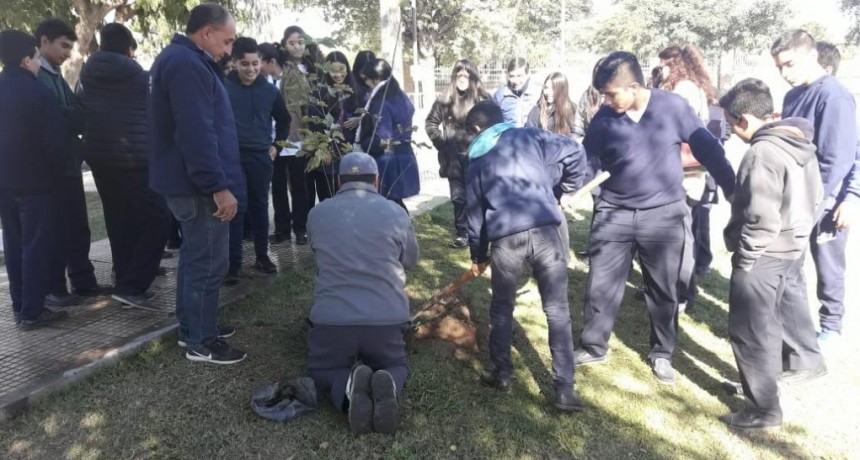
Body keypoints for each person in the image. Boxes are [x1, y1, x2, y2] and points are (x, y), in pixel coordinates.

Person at [575, 52, 735, 384]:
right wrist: (562, 187)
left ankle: (662, 352)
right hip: (614, 213)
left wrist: (732, 188)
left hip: (663, 215)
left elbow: (708, 148)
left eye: (610, 93)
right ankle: (593, 346)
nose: (605, 100)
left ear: (633, 87)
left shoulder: (673, 108)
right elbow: (586, 164)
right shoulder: (604, 118)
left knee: (663, 289)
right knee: (601, 285)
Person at [464, 100, 586, 411]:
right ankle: (564, 392)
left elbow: (474, 216)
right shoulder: (531, 136)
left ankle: (502, 373)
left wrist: (478, 256)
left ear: (477, 130)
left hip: (506, 239)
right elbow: (575, 151)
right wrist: (563, 191)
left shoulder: (477, 159)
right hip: (547, 231)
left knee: (502, 308)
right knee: (557, 309)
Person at [718, 78, 825, 430]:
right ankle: (763, 385)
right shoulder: (800, 144)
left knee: (749, 332)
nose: (731, 132)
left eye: (732, 124)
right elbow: (816, 197)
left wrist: (746, 261)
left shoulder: (761, 153)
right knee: (769, 325)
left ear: (745, 119)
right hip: (791, 251)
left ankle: (762, 410)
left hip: (763, 256)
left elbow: (761, 218)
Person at [149, 3, 246, 364]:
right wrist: (217, 186)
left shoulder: (186, 60)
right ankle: (202, 343)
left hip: (191, 182)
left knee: (196, 259)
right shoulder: (187, 64)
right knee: (208, 262)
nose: (229, 49)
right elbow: (196, 133)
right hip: (198, 186)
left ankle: (192, 328)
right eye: (227, 40)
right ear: (206, 32)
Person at [306, 152, 418, 434]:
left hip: (332, 322)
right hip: (386, 322)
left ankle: (345, 388)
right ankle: (389, 381)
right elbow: (411, 261)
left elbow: (316, 252)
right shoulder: (396, 212)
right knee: (395, 363)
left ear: (339, 180)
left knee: (323, 371)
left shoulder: (317, 213)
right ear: (377, 180)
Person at [771, 30, 858, 345]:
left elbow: (838, 159)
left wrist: (850, 196)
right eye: (779, 67)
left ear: (811, 56)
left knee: (828, 263)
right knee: (790, 262)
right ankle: (793, 321)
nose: (785, 74)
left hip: (825, 201)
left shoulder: (834, 96)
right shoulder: (792, 96)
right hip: (792, 194)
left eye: (790, 65)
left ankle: (831, 325)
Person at [79, 23, 171, 311]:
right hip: (135, 158)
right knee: (158, 218)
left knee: (119, 219)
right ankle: (132, 285)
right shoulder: (140, 77)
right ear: (129, 48)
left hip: (99, 158)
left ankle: (125, 275)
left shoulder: (86, 76)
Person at [0, 29, 69, 330]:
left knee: (14, 245)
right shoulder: (39, 93)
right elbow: (54, 144)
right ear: (27, 60)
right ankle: (33, 310)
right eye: (38, 58)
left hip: (5, 182)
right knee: (36, 246)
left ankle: (20, 305)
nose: (39, 64)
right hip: (36, 184)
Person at [35, 18, 105, 307]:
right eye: (63, 46)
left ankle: (83, 281)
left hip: (69, 162)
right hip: (50, 167)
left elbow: (76, 112)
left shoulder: (56, 75)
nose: (67, 53)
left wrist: (71, 114)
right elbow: (53, 116)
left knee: (78, 226)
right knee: (56, 228)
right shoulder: (36, 75)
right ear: (43, 42)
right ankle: (54, 287)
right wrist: (71, 114)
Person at [658, 44, 723, 312]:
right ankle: (668, 288)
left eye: (663, 64)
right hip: (683, 174)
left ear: (674, 65)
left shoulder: (683, 89)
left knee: (682, 239)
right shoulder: (690, 87)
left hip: (686, 175)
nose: (659, 69)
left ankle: (682, 294)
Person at [224, 37, 291, 284]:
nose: (251, 69)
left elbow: (284, 120)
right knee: (236, 208)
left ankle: (262, 256)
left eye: (255, 64)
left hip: (261, 157)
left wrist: (277, 146)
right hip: (232, 158)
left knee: (260, 207)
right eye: (245, 64)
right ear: (234, 63)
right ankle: (233, 264)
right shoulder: (222, 87)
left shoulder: (269, 90)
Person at [425, 59, 490, 249]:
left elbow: (494, 126)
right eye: (459, 75)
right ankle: (462, 233)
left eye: (466, 76)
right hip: (453, 158)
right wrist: (443, 143)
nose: (462, 79)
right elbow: (430, 123)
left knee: (477, 196)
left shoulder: (483, 100)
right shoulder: (445, 100)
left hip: (477, 157)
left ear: (473, 77)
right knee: (458, 197)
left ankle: (478, 232)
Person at [356, 59, 420, 211]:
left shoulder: (383, 101)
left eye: (366, 79)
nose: (366, 84)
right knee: (395, 204)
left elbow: (382, 138)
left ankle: (397, 234)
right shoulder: (401, 96)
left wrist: (363, 144)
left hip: (389, 158)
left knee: (388, 206)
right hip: (403, 153)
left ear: (376, 78)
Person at [270, 25, 311, 245]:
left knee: (299, 186)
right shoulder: (280, 67)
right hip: (277, 137)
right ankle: (282, 229)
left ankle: (301, 228)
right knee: (277, 186)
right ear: (285, 44)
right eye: (292, 42)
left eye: (300, 42)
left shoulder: (311, 68)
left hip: (298, 138)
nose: (296, 46)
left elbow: (309, 108)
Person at [816, 41, 860, 246]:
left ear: (827, 69)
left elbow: (855, 155)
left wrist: (852, 198)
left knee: (829, 274)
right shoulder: (804, 97)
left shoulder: (841, 101)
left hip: (832, 205)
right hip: (805, 201)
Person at [304, 51, 359, 203]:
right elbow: (315, 124)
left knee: (349, 198)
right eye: (333, 70)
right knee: (329, 197)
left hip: (349, 153)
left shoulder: (353, 92)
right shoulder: (319, 93)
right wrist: (323, 148)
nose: (337, 74)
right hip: (328, 155)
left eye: (341, 69)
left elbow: (368, 114)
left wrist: (360, 119)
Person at [526, 72, 580, 138]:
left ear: (562, 90)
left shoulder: (573, 110)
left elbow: (578, 135)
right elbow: (528, 135)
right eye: (546, 87)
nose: (548, 92)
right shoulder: (536, 111)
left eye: (553, 88)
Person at [492, 57, 539, 127]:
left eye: (519, 76)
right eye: (512, 76)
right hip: (508, 136)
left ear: (528, 75)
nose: (515, 81)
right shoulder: (500, 95)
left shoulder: (537, 93)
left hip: (532, 136)